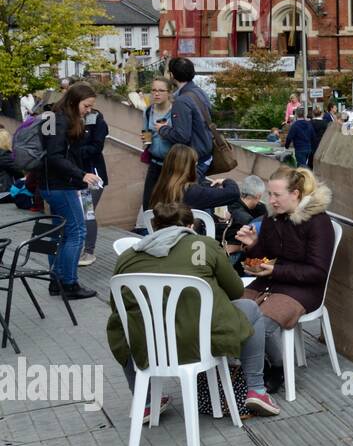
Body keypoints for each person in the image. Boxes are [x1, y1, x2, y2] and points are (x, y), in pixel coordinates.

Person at [107, 202, 279, 416]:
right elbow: (235, 291)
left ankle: (146, 402)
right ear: (190, 226)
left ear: (154, 226)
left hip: (149, 345)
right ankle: (256, 390)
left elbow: (117, 306)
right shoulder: (204, 245)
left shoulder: (128, 256)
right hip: (201, 341)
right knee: (250, 308)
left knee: (124, 325)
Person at [231, 166, 334, 376]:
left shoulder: (318, 222)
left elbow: (318, 272)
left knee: (261, 325)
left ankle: (277, 370)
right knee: (233, 313)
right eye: (270, 194)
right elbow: (267, 254)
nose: (271, 200)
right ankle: (253, 366)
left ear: (295, 194)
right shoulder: (272, 216)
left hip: (304, 289)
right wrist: (252, 245)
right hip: (270, 282)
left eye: (277, 195)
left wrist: (275, 271)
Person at [33, 81, 99, 300]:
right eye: (86, 106)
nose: (88, 111)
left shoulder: (53, 116)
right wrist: (80, 175)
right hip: (59, 186)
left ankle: (56, 281)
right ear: (74, 101)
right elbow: (55, 157)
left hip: (48, 184)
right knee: (77, 232)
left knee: (59, 234)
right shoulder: (61, 120)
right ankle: (69, 284)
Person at [150, 144, 240, 225]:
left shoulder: (159, 185)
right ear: (190, 167)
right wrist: (225, 181)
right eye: (195, 163)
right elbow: (233, 193)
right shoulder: (191, 191)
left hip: (162, 236)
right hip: (187, 239)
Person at [157, 57, 214, 174]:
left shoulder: (182, 101)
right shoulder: (199, 92)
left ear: (172, 75)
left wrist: (162, 129)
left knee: (185, 192)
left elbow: (182, 136)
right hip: (205, 154)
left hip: (193, 161)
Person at [77, 101, 109, 267]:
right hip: (74, 175)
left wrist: (72, 153)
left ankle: (89, 251)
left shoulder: (97, 121)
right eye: (85, 105)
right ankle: (78, 249)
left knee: (87, 211)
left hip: (93, 175)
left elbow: (96, 146)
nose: (88, 109)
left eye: (90, 105)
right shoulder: (67, 118)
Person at [139, 77, 175, 211]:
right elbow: (146, 131)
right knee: (148, 204)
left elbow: (182, 137)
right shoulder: (148, 111)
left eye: (161, 90)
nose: (156, 94)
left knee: (170, 205)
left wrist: (167, 131)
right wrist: (146, 139)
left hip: (172, 166)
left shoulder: (175, 112)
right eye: (154, 90)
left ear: (169, 93)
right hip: (154, 163)